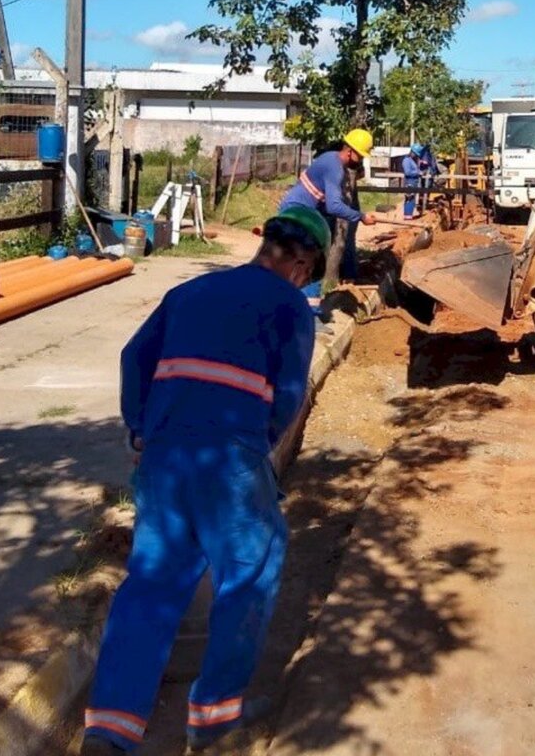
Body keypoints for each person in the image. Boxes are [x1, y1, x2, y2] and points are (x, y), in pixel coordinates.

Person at [81, 207, 331, 756]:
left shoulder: (190, 293)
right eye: (309, 272)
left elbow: (134, 358)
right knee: (249, 575)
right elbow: (287, 394)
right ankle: (214, 725)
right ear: (302, 261)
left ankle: (109, 730)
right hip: (230, 461)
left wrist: (142, 427)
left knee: (151, 584)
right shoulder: (290, 305)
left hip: (165, 460)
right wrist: (257, 444)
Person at [280, 129, 377, 289]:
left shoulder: (329, 157)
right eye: (360, 155)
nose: (360, 160)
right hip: (299, 215)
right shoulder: (335, 169)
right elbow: (334, 206)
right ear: (350, 151)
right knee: (310, 268)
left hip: (296, 210)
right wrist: (361, 216)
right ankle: (308, 309)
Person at [402, 143, 425, 219]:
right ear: (412, 152)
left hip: (414, 182)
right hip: (409, 182)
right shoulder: (406, 160)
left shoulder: (412, 161)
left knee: (412, 199)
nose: (416, 155)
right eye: (415, 154)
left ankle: (409, 215)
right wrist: (418, 173)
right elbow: (407, 172)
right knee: (409, 199)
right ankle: (407, 216)